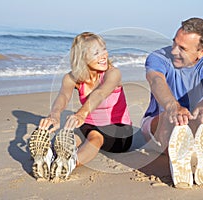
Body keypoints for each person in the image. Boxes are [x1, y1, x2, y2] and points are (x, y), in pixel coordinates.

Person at [28, 32, 133, 182]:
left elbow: (101, 93)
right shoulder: (72, 78)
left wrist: (81, 114)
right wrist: (55, 115)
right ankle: (49, 157)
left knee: (95, 136)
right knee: (68, 137)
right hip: (89, 124)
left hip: (119, 130)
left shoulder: (113, 73)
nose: (104, 55)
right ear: (82, 57)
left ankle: (69, 163)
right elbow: (63, 96)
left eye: (104, 49)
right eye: (96, 52)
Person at [140, 17, 203, 188]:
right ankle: (179, 161)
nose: (174, 51)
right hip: (157, 123)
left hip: (194, 123)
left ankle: (198, 152)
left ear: (202, 51)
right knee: (171, 118)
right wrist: (172, 106)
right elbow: (155, 80)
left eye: (182, 48)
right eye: (174, 43)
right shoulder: (158, 57)